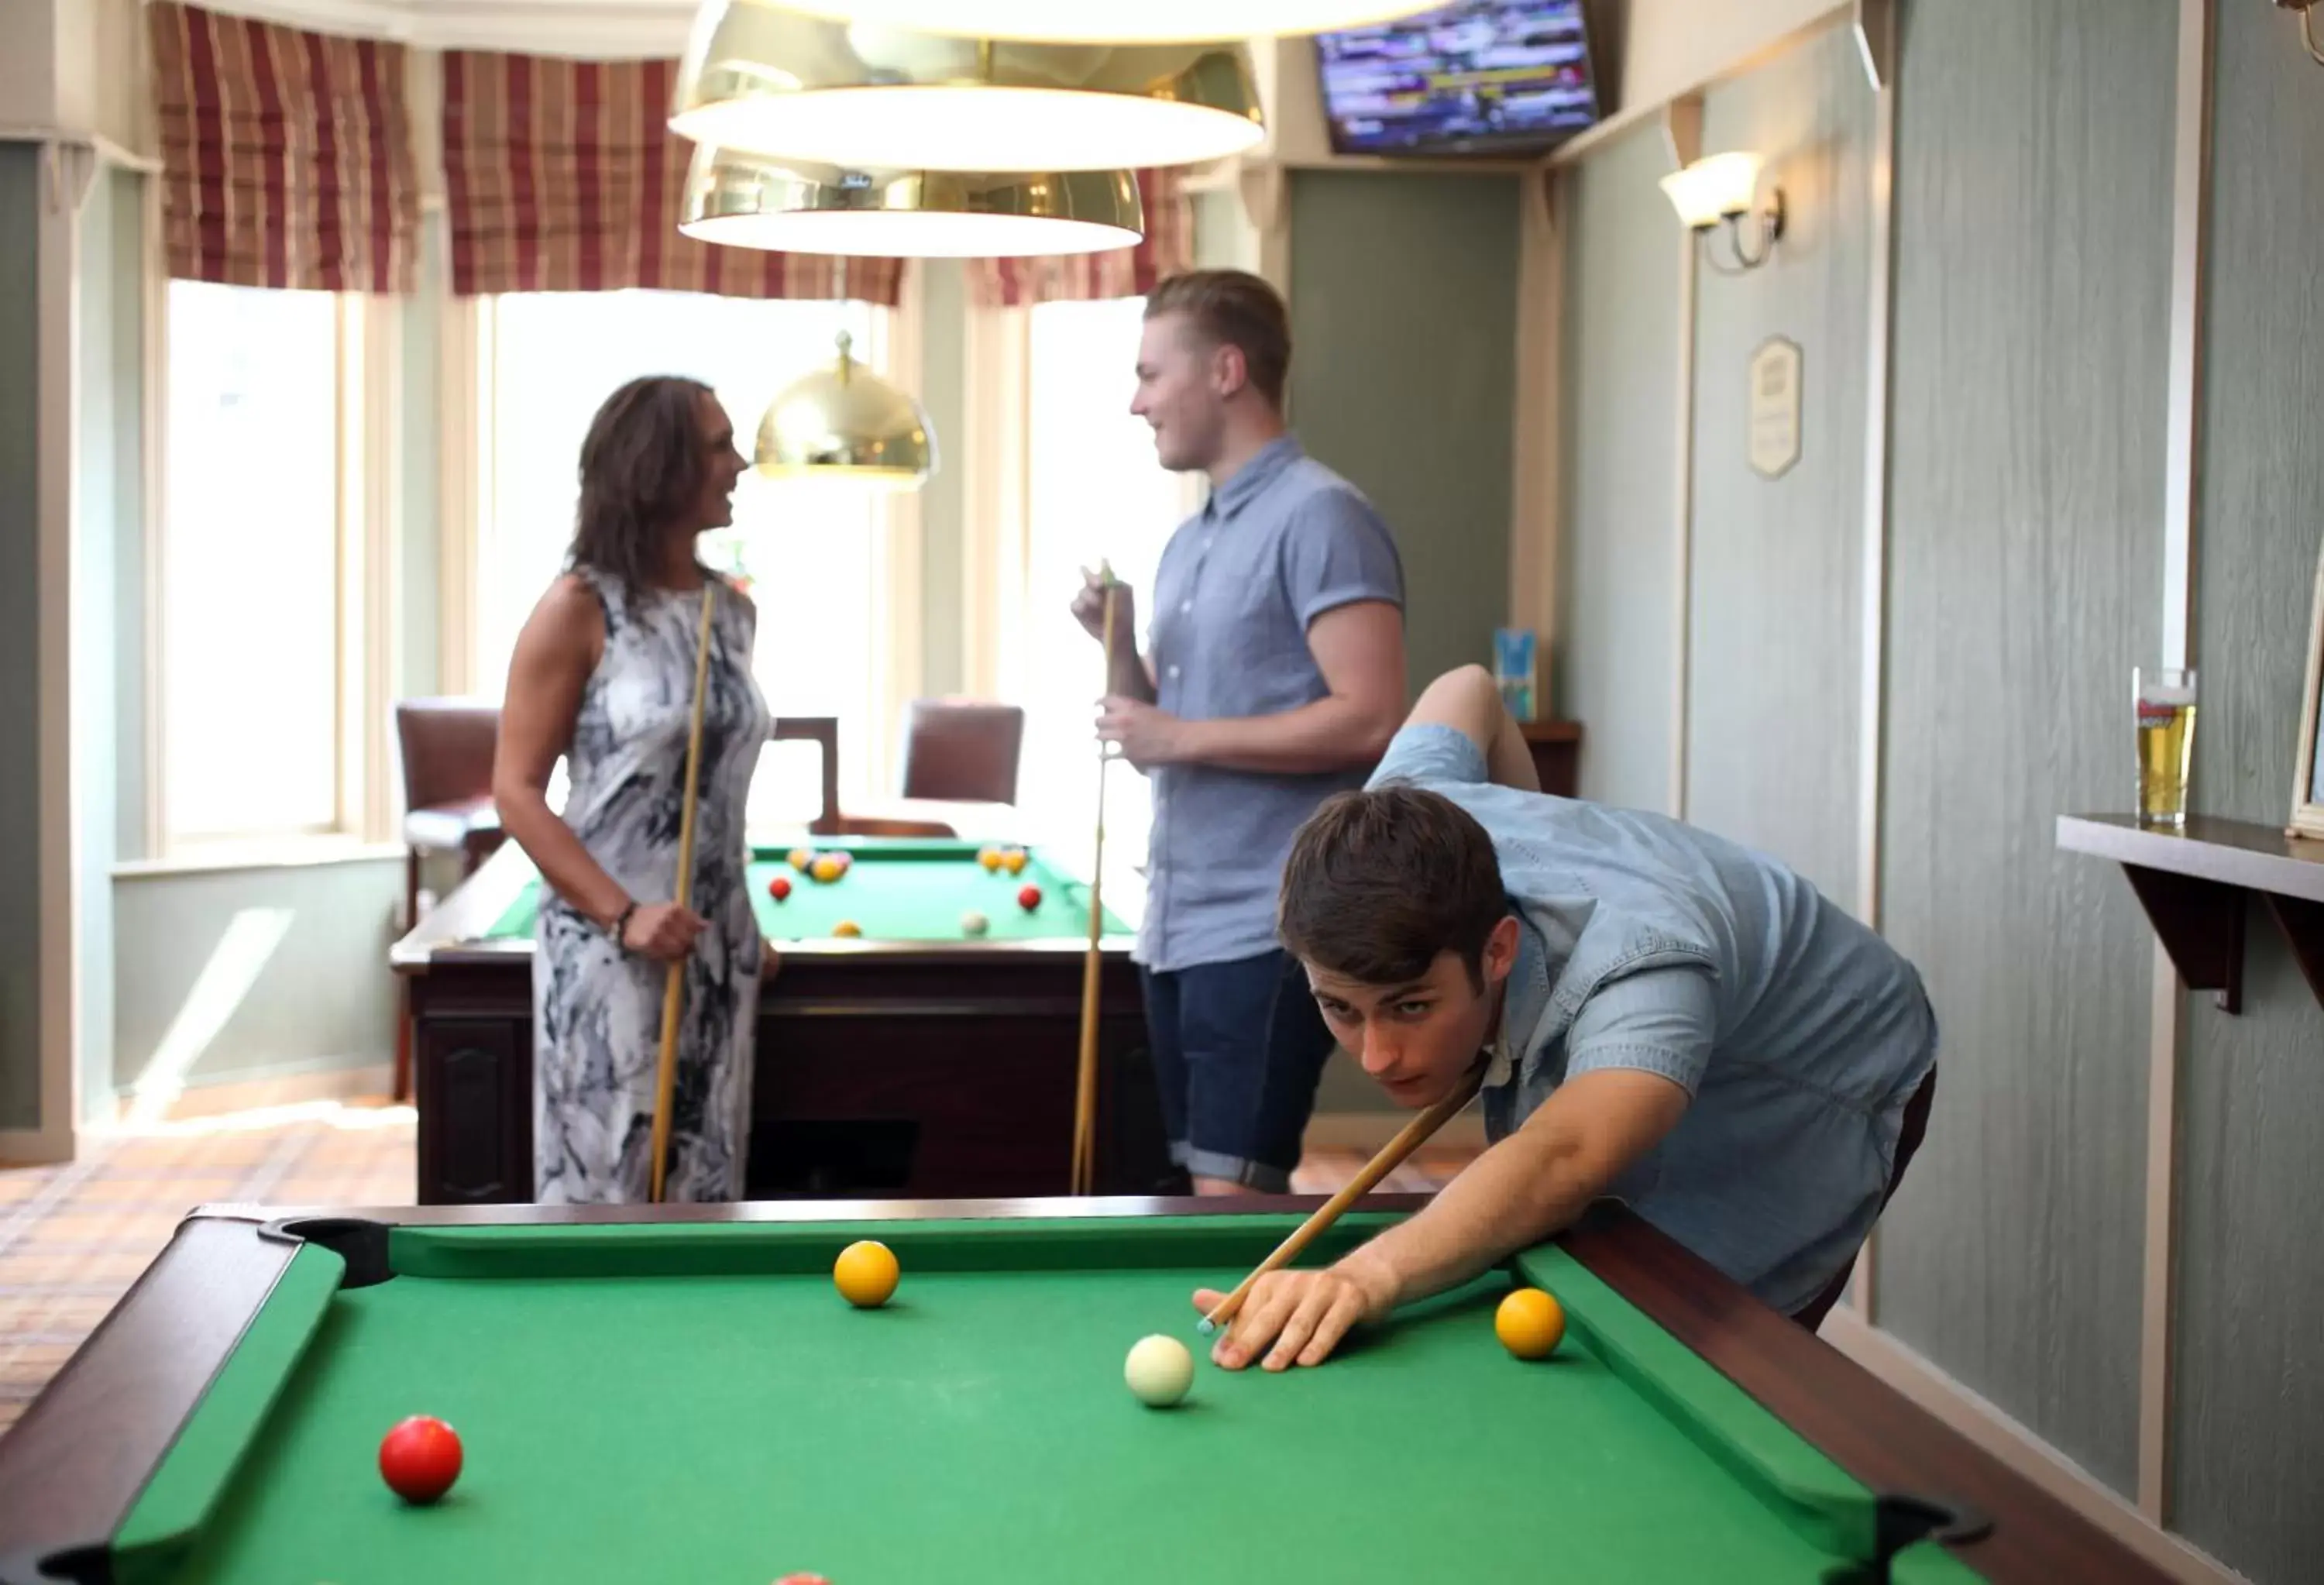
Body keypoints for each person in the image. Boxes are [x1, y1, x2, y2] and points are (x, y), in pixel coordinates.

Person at [1195, 665, 1938, 1368]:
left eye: (1410, 1006)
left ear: (1498, 950)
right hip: (1669, 987)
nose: (1378, 1056)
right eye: (1341, 1010)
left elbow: (1566, 1155)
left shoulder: (1642, 966)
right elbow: (1470, 689)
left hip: (1821, 1069)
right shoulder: (1399, 817)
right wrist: (1541, 827)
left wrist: (1364, 1278)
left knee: (1703, 1349)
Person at [1071, 268, 1408, 1198]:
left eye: (1150, 374)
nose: (1137, 403)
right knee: (1191, 1198)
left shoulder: (1321, 514)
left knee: (1234, 1201)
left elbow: (1374, 715)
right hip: (1175, 929)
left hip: (1265, 927)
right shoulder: (1190, 540)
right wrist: (1118, 643)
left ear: (1225, 370)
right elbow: (1162, 739)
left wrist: (1177, 736)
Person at [493, 376, 779, 1203]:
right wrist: (624, 914)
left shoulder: (733, 611)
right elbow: (515, 791)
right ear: (661, 467)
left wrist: (743, 915)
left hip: (715, 949)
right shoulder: (579, 608)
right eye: (720, 446)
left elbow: (709, 783)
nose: (740, 464)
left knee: (706, 1185)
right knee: (608, 1193)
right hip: (611, 948)